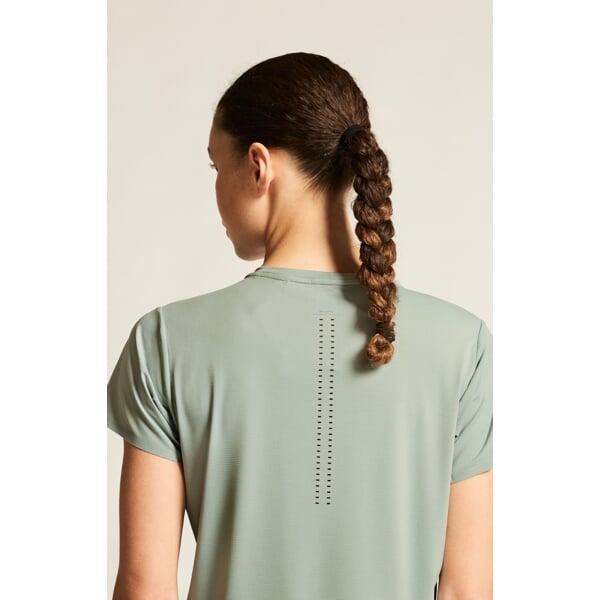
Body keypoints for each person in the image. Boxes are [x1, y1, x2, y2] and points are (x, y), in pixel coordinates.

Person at [107, 52, 492, 600]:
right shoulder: (462, 345)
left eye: (217, 167)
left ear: (258, 166)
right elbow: (466, 591)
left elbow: (144, 588)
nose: (216, 189)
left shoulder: (165, 342)